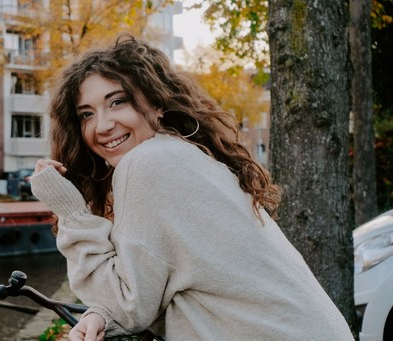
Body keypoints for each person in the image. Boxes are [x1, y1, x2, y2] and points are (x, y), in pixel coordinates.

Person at [30, 34, 353, 341]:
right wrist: (101, 314)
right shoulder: (184, 155)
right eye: (86, 114)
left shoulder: (148, 162)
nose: (102, 125)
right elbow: (161, 283)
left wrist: (69, 209)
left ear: (157, 104)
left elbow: (128, 306)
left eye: (117, 102)